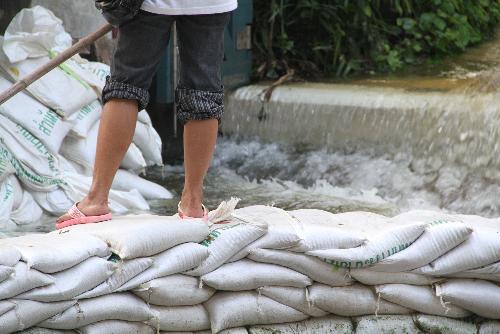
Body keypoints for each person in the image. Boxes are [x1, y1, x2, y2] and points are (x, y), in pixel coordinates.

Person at [56, 0, 237, 228]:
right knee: (203, 91)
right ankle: (192, 202)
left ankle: (96, 199)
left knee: (125, 87)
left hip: (150, 4)